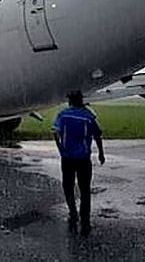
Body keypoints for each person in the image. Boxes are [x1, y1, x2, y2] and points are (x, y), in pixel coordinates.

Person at [52, 90, 105, 237]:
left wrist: (61, 149)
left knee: (68, 186)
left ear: (70, 101)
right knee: (85, 189)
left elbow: (55, 132)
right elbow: (97, 135)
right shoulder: (88, 116)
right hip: (83, 158)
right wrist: (101, 153)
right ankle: (85, 217)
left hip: (67, 157)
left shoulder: (63, 114)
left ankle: (73, 212)